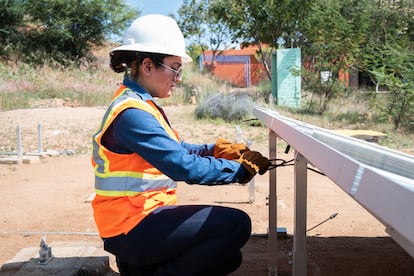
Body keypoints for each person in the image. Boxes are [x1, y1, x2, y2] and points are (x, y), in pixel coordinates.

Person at [91, 14, 270, 276]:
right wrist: (239, 170)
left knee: (228, 258)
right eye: (175, 67)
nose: (179, 77)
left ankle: (140, 268)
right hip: (129, 226)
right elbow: (182, 166)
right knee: (236, 225)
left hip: (141, 220)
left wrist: (216, 149)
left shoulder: (142, 106)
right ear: (148, 66)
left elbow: (179, 148)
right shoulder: (132, 113)